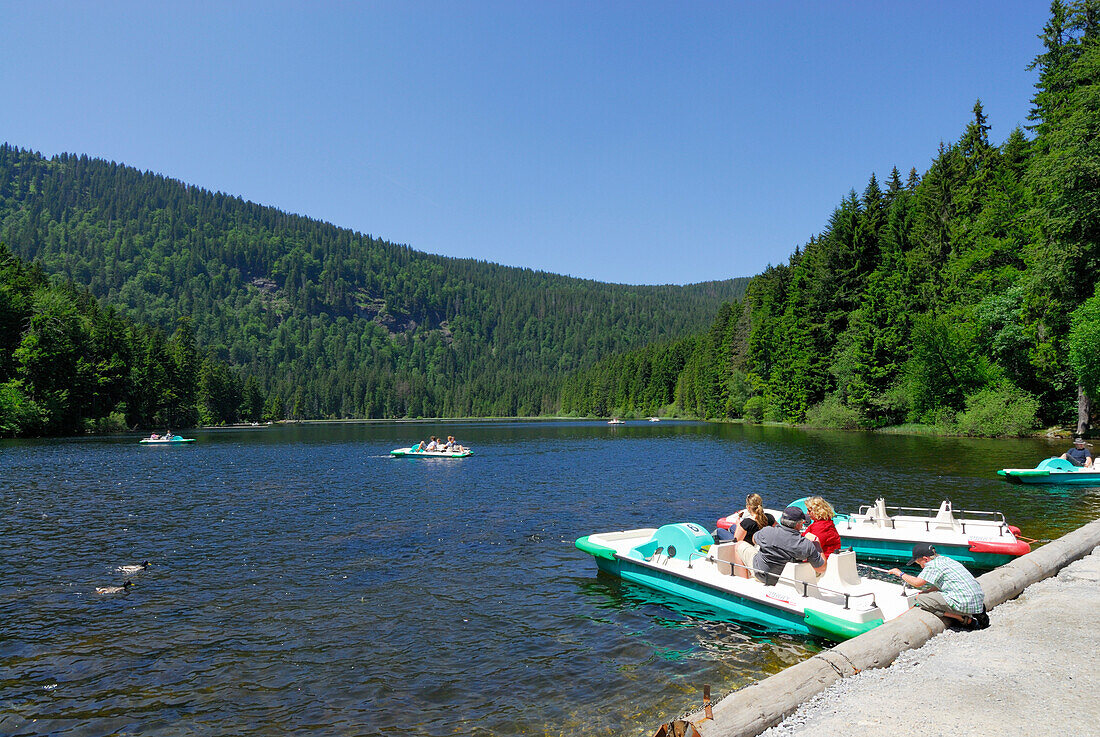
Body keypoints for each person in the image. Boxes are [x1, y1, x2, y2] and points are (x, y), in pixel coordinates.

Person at [888, 543, 988, 630]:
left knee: (921, 599)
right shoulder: (944, 559)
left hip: (964, 602)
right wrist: (927, 591)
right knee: (926, 595)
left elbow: (917, 583)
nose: (921, 567)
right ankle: (977, 613)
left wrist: (899, 573)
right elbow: (942, 584)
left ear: (925, 559)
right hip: (977, 599)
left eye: (919, 563)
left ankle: (962, 619)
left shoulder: (932, 565)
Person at [739, 506, 826, 585]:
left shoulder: (767, 531)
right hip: (785, 580)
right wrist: (817, 545)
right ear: (798, 524)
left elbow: (754, 540)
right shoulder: (805, 545)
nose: (803, 524)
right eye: (802, 522)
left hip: (760, 574)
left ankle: (744, 582)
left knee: (739, 545)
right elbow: (821, 569)